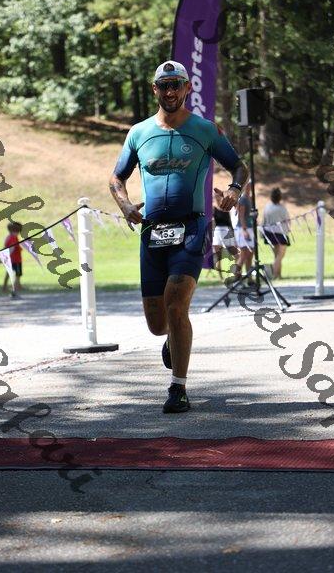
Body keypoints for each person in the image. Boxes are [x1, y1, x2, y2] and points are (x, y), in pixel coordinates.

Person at [109, 60, 248, 414]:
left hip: (191, 228)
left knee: (176, 303)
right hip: (152, 231)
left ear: (188, 88)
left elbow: (239, 166)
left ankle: (178, 388)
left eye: (177, 85)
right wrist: (125, 205)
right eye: (164, 85)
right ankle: (172, 338)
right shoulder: (138, 133)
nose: (170, 91)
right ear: (154, 89)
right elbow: (116, 178)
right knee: (158, 324)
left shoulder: (205, 130)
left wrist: (234, 190)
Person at [262, 187, 291, 279]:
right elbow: (287, 221)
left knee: (276, 255)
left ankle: (279, 275)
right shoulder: (282, 208)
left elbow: (264, 221)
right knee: (280, 256)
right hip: (280, 234)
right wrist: (288, 230)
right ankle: (274, 274)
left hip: (269, 233)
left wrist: (262, 234)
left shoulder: (267, 207)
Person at [212, 200, 238, 281]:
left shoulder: (225, 208)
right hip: (217, 232)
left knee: (235, 254)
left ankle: (236, 274)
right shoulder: (214, 208)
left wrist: (233, 234)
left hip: (225, 231)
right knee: (218, 256)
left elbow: (229, 221)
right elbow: (212, 222)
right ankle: (220, 277)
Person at [234, 182, 254, 282]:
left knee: (250, 255)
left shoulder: (250, 198)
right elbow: (240, 215)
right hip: (242, 229)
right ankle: (236, 277)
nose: (249, 188)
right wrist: (244, 229)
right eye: (247, 186)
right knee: (243, 254)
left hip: (250, 228)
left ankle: (250, 278)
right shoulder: (242, 199)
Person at [2, 222, 23, 295]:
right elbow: (11, 248)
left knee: (9, 273)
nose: (19, 233)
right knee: (18, 274)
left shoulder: (9, 237)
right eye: (18, 231)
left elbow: (5, 247)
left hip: (13, 259)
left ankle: (6, 287)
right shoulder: (13, 238)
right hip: (15, 260)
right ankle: (15, 289)